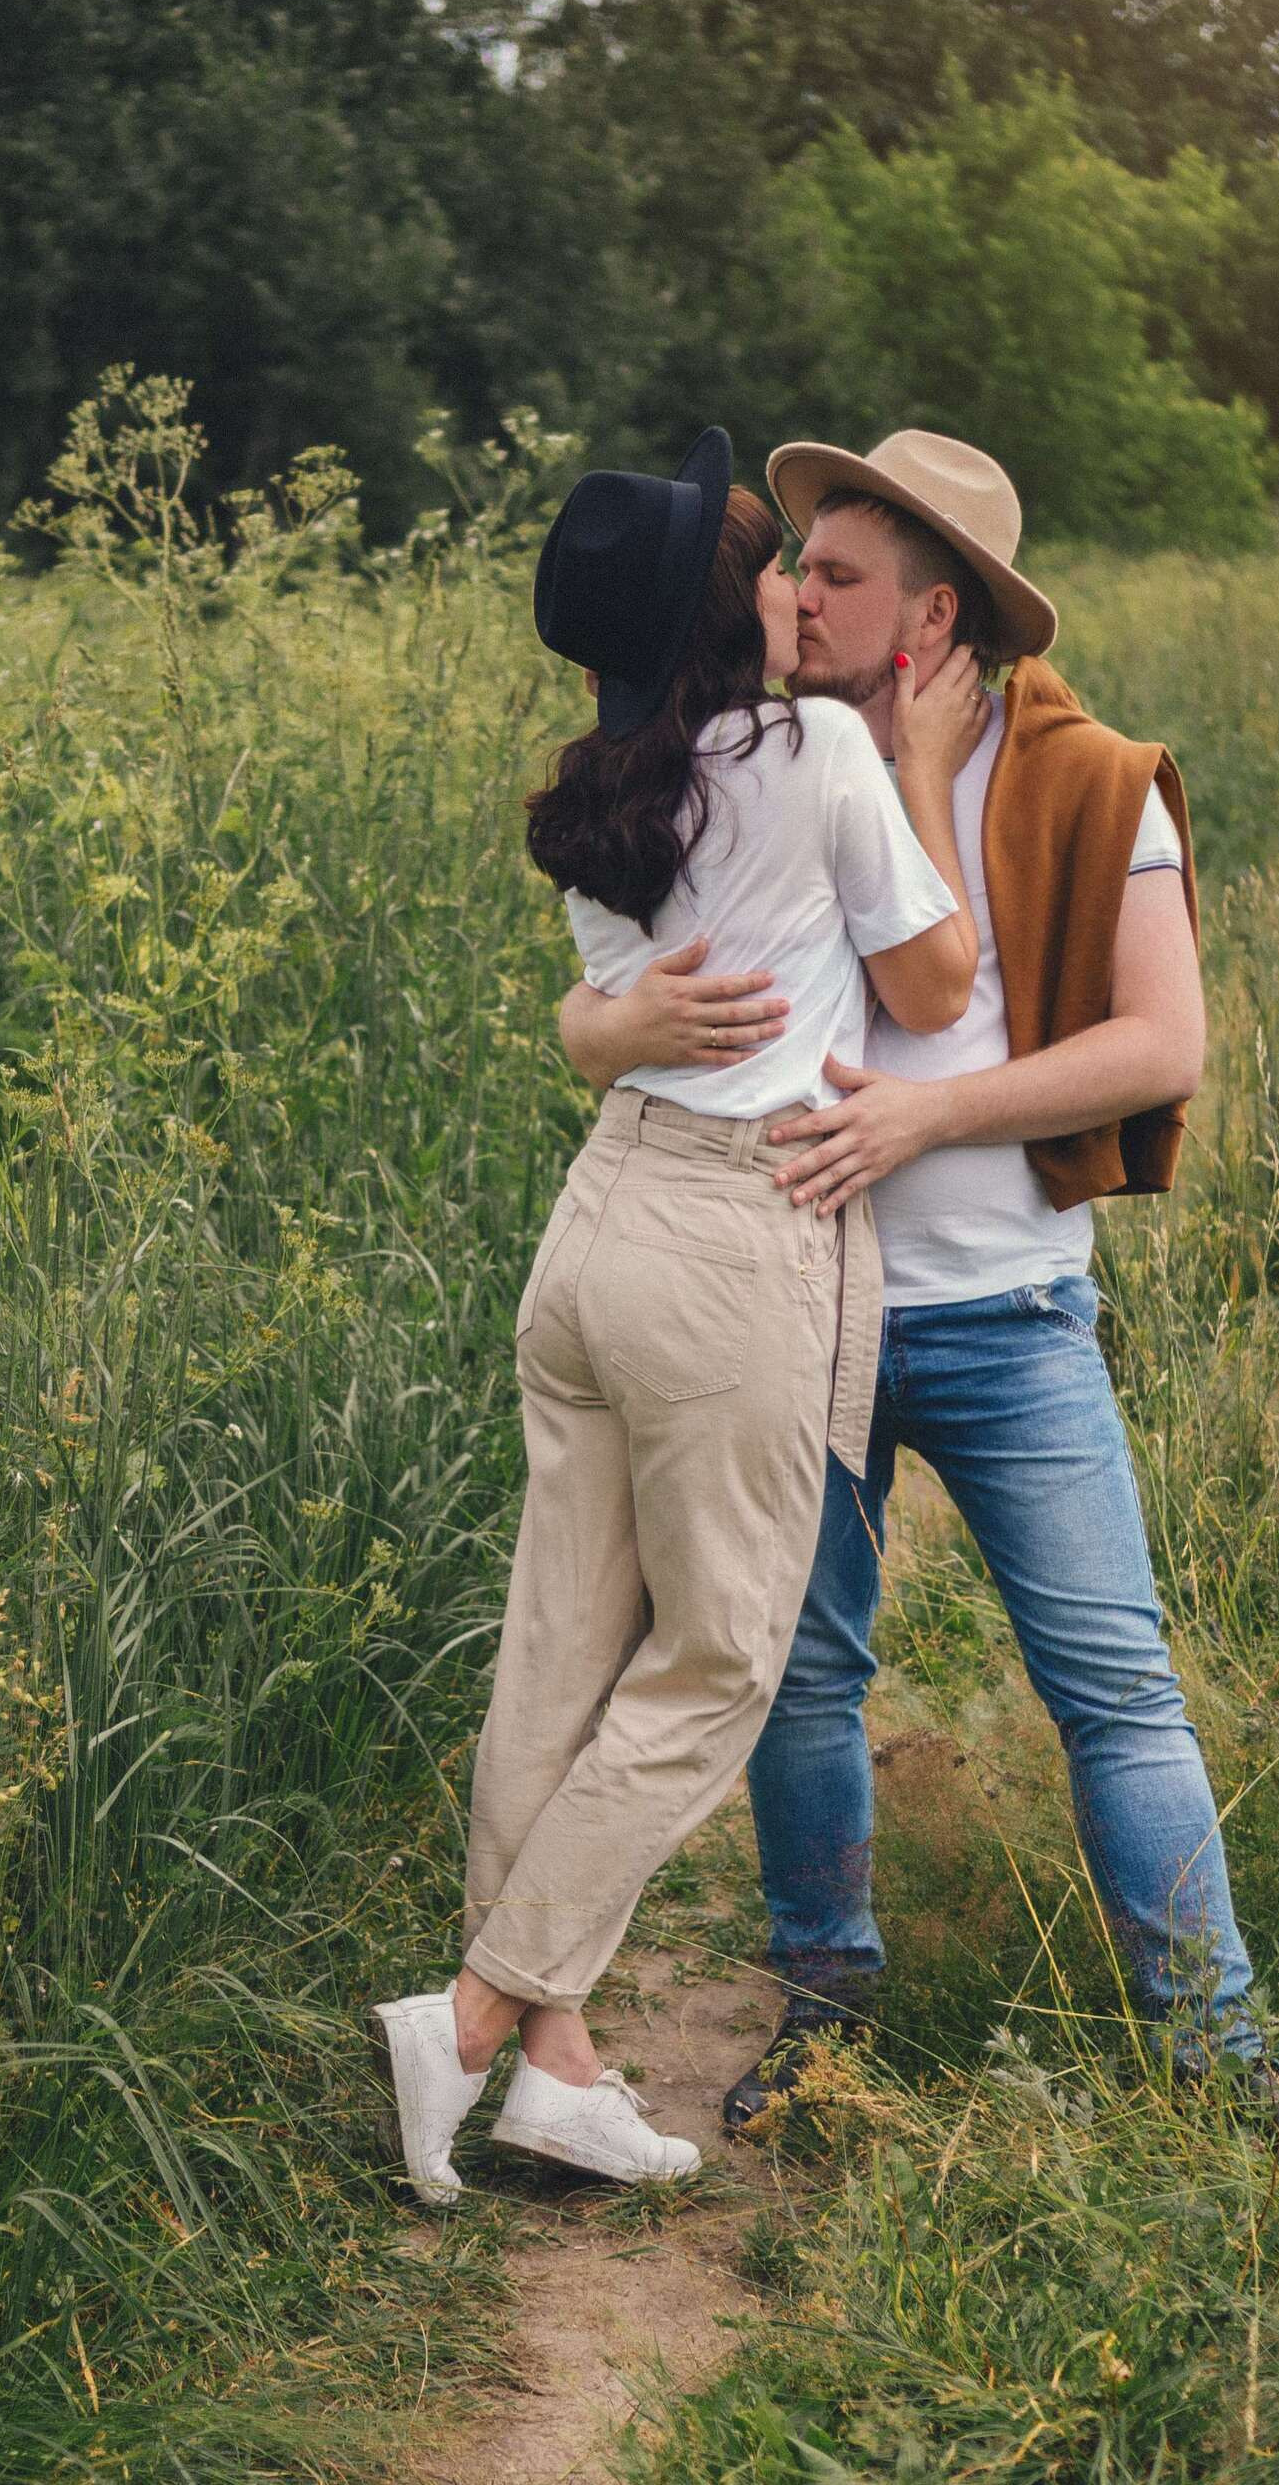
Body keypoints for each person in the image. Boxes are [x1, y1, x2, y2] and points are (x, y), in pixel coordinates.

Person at [557, 428, 1279, 2160]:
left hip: (1004, 1313)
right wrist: (600, 1029)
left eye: (832, 575)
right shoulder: (742, 760)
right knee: (800, 1681)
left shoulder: (1095, 780)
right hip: (790, 1300)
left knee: (1113, 1681)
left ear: (931, 611)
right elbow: (607, 994)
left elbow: (1161, 1041)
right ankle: (825, 2012)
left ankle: (1217, 2048)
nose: (787, 595)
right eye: (790, 565)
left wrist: (929, 1113)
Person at [371, 427, 978, 2205]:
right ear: (740, 604)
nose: (803, 581)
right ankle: (482, 2017)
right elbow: (936, 981)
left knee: (560, 1643)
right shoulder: (819, 754)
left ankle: (555, 2070)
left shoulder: (602, 799)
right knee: (721, 1654)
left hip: (600, 1225)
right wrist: (919, 764)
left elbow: (610, 1017)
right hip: (734, 1232)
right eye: (776, 563)